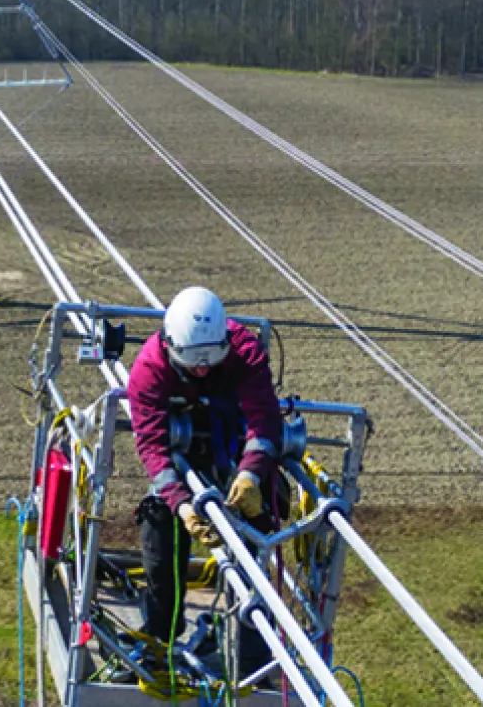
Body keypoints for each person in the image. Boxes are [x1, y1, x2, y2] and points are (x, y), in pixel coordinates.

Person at [127, 286, 283, 689]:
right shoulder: (149, 369)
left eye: (210, 363)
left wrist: (251, 474)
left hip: (232, 450)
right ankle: (162, 633)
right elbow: (153, 447)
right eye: (192, 363)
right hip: (183, 452)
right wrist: (181, 504)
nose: (201, 372)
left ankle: (250, 655)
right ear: (170, 346)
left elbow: (264, 420)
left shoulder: (244, 351)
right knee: (159, 527)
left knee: (255, 534)